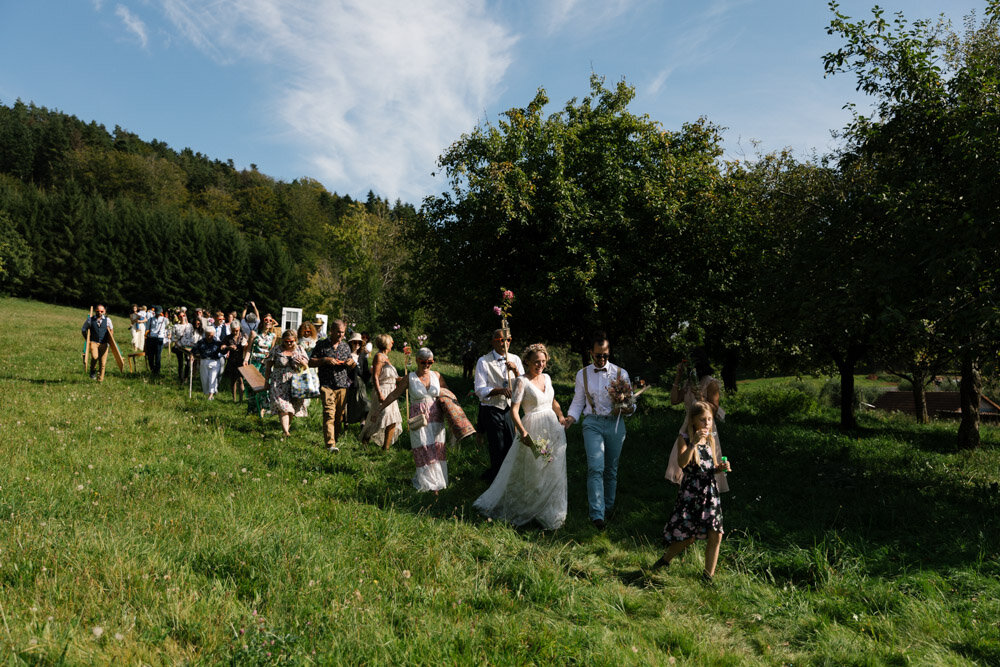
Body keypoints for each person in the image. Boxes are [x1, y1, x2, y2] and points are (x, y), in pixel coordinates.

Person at [474, 343, 568, 530]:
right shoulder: (521, 382)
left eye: (543, 361)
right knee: (533, 468)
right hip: (532, 428)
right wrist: (523, 432)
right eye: (536, 362)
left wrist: (561, 415)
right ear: (527, 361)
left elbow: (553, 401)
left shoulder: (547, 378)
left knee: (552, 467)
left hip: (552, 428)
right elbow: (514, 411)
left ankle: (548, 508)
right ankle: (528, 506)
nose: (540, 365)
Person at [652, 401, 732, 583]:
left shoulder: (710, 439)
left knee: (716, 533)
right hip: (691, 494)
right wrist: (693, 444)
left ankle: (707, 577)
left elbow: (708, 468)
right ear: (693, 420)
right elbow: (682, 463)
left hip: (710, 492)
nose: (707, 423)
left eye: (710, 419)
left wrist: (720, 468)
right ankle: (664, 560)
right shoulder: (685, 438)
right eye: (703, 420)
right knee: (688, 537)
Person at [564, 332, 635, 530]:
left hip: (615, 424)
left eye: (605, 355)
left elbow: (631, 405)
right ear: (591, 354)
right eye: (598, 355)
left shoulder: (621, 374)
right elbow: (578, 402)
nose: (602, 359)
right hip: (592, 423)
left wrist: (626, 405)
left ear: (609, 353)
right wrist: (571, 418)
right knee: (595, 467)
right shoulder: (582, 374)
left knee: (611, 469)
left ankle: (608, 506)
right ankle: (597, 514)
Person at [379, 347, 449, 493]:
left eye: (430, 362)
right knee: (423, 447)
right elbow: (394, 395)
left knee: (436, 448)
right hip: (418, 418)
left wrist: (458, 408)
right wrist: (380, 408)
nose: (426, 365)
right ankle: (428, 483)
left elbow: (447, 393)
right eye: (423, 362)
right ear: (417, 361)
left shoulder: (436, 375)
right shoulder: (409, 378)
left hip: (436, 417)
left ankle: (438, 481)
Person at [665, 348, 729, 492]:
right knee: (684, 456)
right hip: (688, 425)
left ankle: (707, 488)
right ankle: (687, 488)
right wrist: (678, 376)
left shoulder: (710, 383)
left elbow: (714, 408)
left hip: (705, 425)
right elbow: (674, 400)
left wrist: (700, 397)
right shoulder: (689, 382)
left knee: (706, 459)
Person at [473, 328, 525, 482]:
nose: (505, 343)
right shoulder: (483, 361)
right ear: (493, 342)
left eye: (508, 340)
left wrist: (516, 371)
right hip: (492, 409)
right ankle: (496, 480)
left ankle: (508, 478)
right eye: (501, 340)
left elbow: (525, 384)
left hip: (510, 409)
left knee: (511, 444)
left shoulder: (515, 359)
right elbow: (480, 390)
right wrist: (499, 391)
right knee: (497, 446)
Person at [309, 319, 354, 452]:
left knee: (339, 417)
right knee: (329, 414)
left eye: (343, 333)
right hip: (326, 385)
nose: (341, 335)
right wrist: (324, 360)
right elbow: (311, 362)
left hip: (342, 386)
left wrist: (350, 362)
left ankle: (335, 439)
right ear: (331, 331)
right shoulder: (322, 345)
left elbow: (351, 364)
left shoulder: (345, 346)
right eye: (338, 332)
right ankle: (330, 444)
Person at [265, 329, 310, 437]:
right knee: (283, 407)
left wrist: (302, 362)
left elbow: (307, 365)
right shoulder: (277, 350)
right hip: (278, 381)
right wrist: (267, 381)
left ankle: (286, 432)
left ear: (295, 340)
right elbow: (268, 366)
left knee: (291, 408)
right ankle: (286, 431)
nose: (289, 343)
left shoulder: (300, 349)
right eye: (286, 341)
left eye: (291, 341)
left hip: (295, 382)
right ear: (283, 341)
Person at [362, 334, 402, 450]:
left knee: (393, 419)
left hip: (391, 391)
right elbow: (375, 376)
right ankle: (365, 439)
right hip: (383, 390)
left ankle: (386, 448)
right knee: (379, 417)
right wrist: (379, 394)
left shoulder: (387, 358)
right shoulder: (379, 357)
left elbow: (393, 377)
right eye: (391, 341)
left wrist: (405, 378)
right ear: (385, 343)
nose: (393, 343)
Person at [81, 304, 114, 381]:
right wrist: (87, 339)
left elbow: (111, 330)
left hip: (104, 343)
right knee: (95, 357)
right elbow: (83, 329)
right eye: (98, 311)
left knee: (103, 363)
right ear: (96, 311)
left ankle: (100, 380)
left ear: (104, 311)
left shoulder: (108, 320)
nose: (100, 312)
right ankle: (92, 370)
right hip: (94, 342)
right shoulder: (90, 320)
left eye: (101, 311)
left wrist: (110, 340)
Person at [191, 325, 225, 399]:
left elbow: (224, 351)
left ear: (214, 334)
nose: (209, 337)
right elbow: (193, 350)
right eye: (207, 335)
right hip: (204, 361)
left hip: (215, 362)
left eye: (211, 335)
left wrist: (224, 348)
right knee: (204, 379)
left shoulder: (217, 343)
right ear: (205, 334)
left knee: (212, 378)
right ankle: (207, 393)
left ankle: (211, 395)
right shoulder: (201, 342)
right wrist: (192, 355)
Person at [345, 332, 371, 425]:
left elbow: (365, 371)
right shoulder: (346, 354)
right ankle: (346, 421)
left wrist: (371, 373)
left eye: (359, 343)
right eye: (354, 342)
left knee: (364, 403)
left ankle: (363, 422)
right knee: (350, 404)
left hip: (360, 384)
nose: (357, 345)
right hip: (349, 383)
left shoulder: (363, 356)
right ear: (350, 343)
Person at [220, 324, 248, 402]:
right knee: (233, 380)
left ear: (239, 329)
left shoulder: (244, 336)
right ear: (231, 329)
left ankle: (241, 400)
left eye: (237, 330)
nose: (235, 332)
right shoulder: (228, 337)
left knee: (241, 380)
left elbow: (249, 347)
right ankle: (234, 399)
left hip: (241, 360)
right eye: (233, 330)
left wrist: (245, 345)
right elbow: (222, 348)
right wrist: (228, 347)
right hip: (232, 360)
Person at [145, 306, 168, 376]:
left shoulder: (165, 320)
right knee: (150, 356)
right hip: (151, 338)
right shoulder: (150, 319)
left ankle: (157, 371)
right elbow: (147, 329)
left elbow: (168, 328)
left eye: (159, 313)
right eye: (156, 313)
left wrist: (167, 334)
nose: (157, 315)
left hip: (160, 339)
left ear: (161, 312)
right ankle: (152, 369)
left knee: (158, 356)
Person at [170, 310, 193, 381]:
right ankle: (181, 378)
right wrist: (178, 346)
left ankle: (186, 377)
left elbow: (192, 336)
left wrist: (191, 346)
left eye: (183, 315)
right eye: (180, 316)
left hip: (188, 346)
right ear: (178, 317)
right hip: (179, 347)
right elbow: (174, 338)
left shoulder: (190, 325)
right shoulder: (175, 326)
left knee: (188, 363)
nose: (182, 317)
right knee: (180, 363)